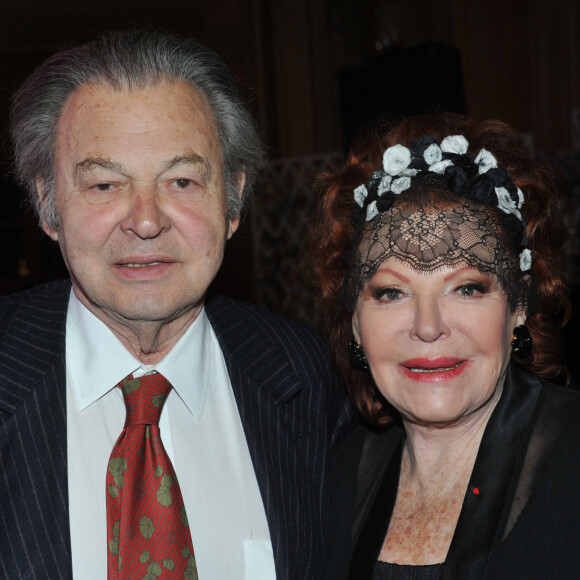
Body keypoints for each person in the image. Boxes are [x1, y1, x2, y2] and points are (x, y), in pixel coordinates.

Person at [2, 30, 354, 579]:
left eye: (182, 180)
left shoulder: (313, 378)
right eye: (104, 186)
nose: (145, 220)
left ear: (233, 201)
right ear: (49, 205)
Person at [311, 112, 580, 579]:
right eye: (391, 292)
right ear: (354, 321)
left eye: (467, 288)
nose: (429, 327)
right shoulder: (331, 479)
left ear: (518, 304)